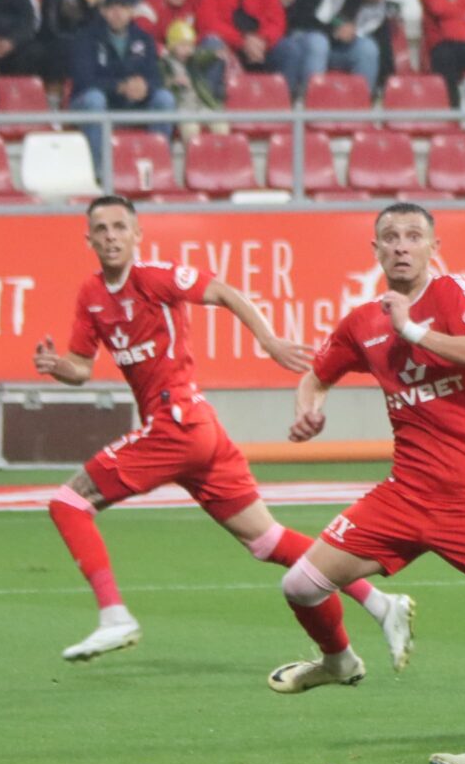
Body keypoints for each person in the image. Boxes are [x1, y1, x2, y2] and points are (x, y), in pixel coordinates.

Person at [32, 195, 380, 663]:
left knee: (68, 503)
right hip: (198, 429)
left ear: (137, 235)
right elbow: (80, 367)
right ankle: (380, 603)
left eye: (120, 227)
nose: (111, 236)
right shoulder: (91, 294)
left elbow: (224, 292)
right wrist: (56, 366)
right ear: (88, 239)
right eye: (102, 229)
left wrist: (268, 340)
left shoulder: (154, 277)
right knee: (266, 540)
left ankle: (114, 616)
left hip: (175, 422)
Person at [267, 205, 465, 764]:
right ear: (375, 250)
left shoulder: (450, 293)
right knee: (300, 584)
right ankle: (337, 661)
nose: (401, 246)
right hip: (405, 495)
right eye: (390, 238)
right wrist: (309, 407)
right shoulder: (362, 322)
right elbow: (316, 374)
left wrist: (414, 330)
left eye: (413, 236)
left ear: (433, 246)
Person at [66, 0, 177, 182]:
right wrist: (120, 86)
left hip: (132, 103)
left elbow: (156, 77)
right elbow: (84, 80)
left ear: (131, 11)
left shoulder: (144, 39)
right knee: (94, 99)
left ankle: (159, 167)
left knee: (165, 98)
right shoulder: (86, 38)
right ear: (103, 11)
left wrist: (145, 86)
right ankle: (101, 173)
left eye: (123, 7)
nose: (117, 13)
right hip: (92, 104)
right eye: (112, 7)